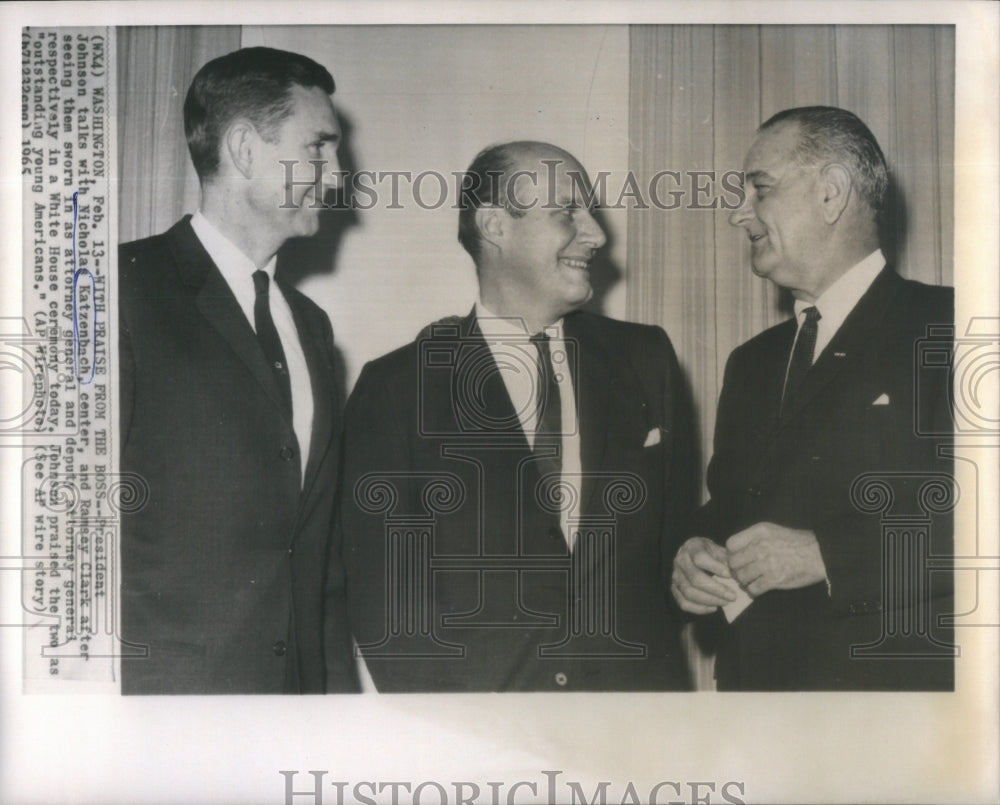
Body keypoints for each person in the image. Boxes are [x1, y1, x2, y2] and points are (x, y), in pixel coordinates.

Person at [340, 141, 695, 691]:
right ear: (495, 225)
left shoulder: (647, 359)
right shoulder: (397, 389)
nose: (597, 234)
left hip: (636, 736)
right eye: (567, 213)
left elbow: (675, 553)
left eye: (591, 212)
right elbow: (385, 605)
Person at [671, 106, 954, 690]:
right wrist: (691, 553)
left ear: (831, 193)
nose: (737, 213)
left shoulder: (954, 325)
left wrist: (828, 556)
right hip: (755, 706)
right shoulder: (750, 363)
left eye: (760, 189)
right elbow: (732, 508)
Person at [118, 47, 358, 694]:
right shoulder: (119, 292)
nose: (336, 177)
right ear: (246, 150)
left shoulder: (311, 326)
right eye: (318, 148)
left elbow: (319, 552)